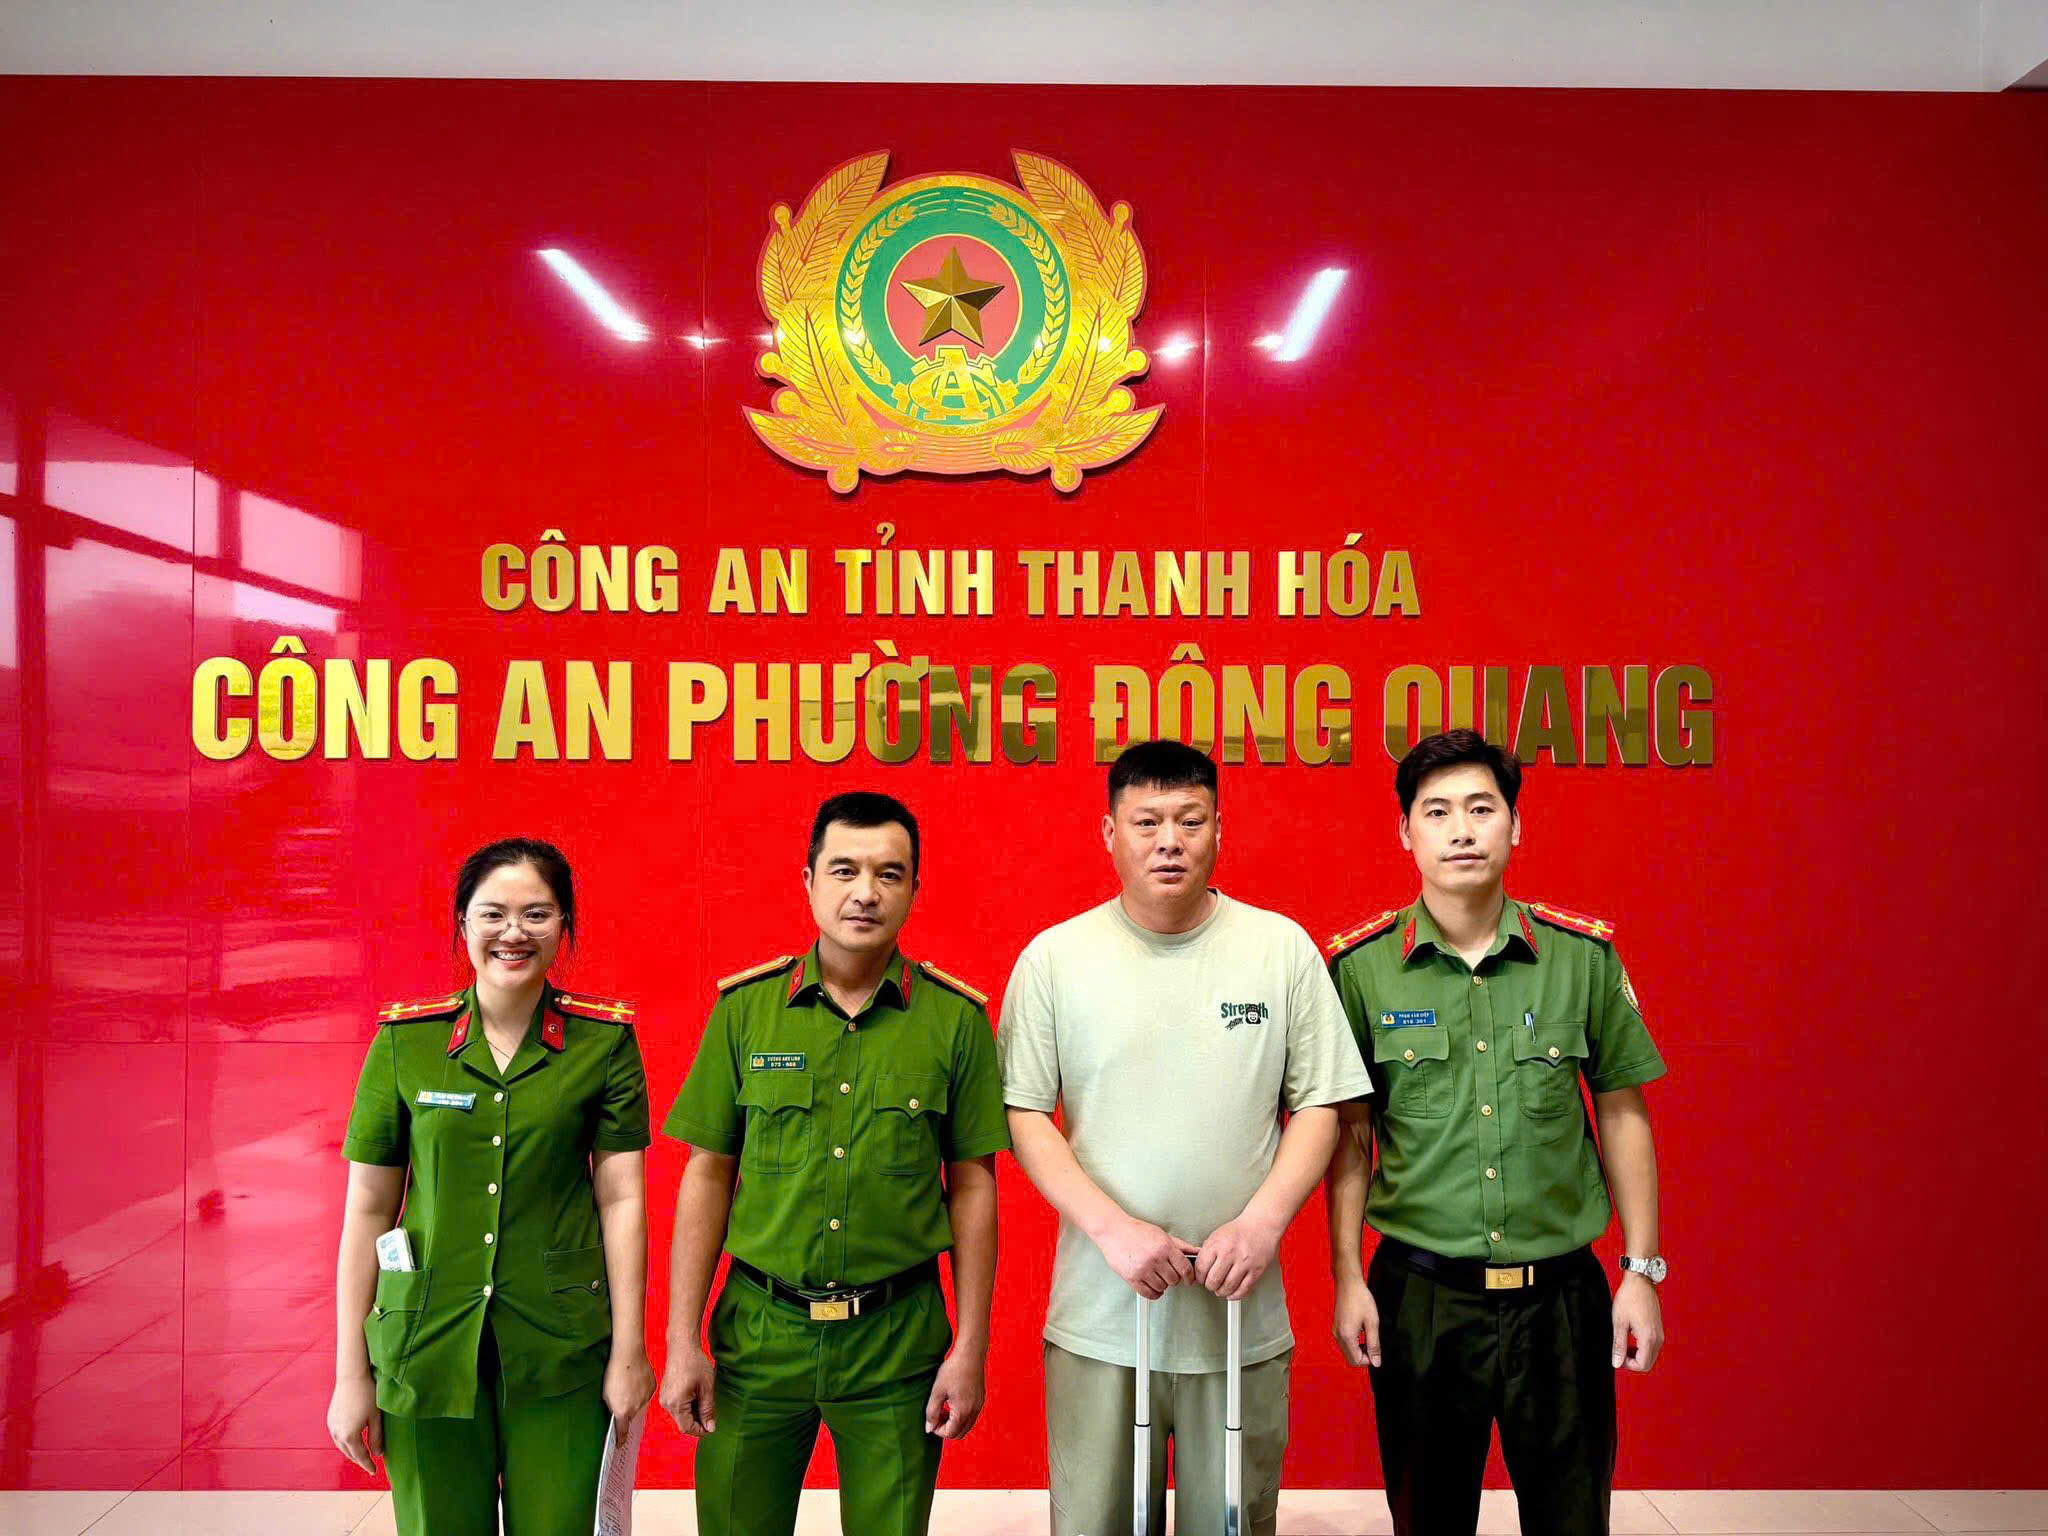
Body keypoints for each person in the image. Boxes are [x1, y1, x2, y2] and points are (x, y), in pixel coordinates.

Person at [1000, 739, 1372, 1536]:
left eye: (1190, 820)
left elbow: (1321, 1106)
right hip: (1102, 1316)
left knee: (1233, 1524)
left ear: (1219, 830)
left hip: (1238, 1318)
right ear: (1110, 833)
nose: (1169, 840)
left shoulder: (1281, 950)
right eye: (1147, 822)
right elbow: (1025, 1114)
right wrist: (1112, 1230)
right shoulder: (1055, 959)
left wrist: (1263, 1223)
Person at [1324, 729, 1669, 1536]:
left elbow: (1622, 1113)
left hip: (1561, 1301)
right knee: (1428, 1519)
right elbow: (1350, 1138)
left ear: (1516, 825)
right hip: (1421, 1299)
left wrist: (1641, 1271)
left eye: (1482, 809)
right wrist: (1345, 1276)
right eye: (1437, 811)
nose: (1462, 830)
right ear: (1405, 832)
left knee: (1572, 1518)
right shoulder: (1361, 969)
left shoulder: (1580, 958)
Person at [658, 791, 1008, 1536]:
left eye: (889, 873)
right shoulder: (746, 1011)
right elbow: (708, 1173)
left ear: (915, 888)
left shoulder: (956, 1020)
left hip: (896, 1344)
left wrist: (971, 1347)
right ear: (809, 880)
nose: (865, 892)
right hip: (760, 1337)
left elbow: (974, 1188)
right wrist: (680, 1340)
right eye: (844, 869)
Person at [326, 837, 654, 1536]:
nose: (514, 932)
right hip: (425, 1344)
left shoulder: (604, 1043)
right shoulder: (406, 1043)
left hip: (562, 1344)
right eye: (493, 914)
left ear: (564, 925)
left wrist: (630, 1351)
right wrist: (351, 1374)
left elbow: (622, 1200)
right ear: (463, 923)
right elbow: (368, 1209)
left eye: (537, 914)